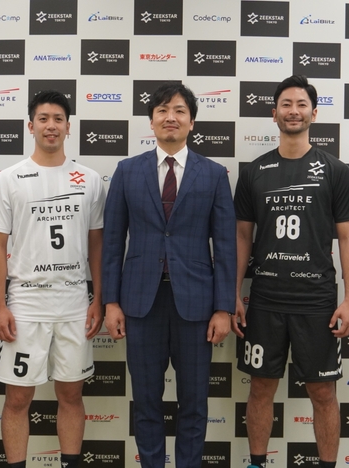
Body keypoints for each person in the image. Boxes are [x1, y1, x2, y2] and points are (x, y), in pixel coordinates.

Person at [101, 83, 236, 468]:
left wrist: (223, 308)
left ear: (191, 122)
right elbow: (113, 242)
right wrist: (111, 301)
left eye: (179, 110)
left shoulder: (213, 174)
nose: (170, 117)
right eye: (162, 110)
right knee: (146, 402)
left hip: (196, 306)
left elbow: (226, 246)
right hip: (140, 304)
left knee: (194, 403)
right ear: (151, 121)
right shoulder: (127, 171)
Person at [232, 75, 349, 468]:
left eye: (301, 104)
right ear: (274, 113)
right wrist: (233, 293)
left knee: (323, 393)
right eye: (286, 104)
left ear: (314, 113)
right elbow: (242, 236)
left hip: (316, 301)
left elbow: (348, 237)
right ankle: (256, 464)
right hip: (266, 300)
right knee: (260, 388)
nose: (293, 111)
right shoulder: (254, 171)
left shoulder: (335, 170)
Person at [0, 90, 105, 468]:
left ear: (69, 127)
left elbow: (97, 245)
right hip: (26, 303)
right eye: (43, 118)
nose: (50, 125)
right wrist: (0, 306)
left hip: (73, 302)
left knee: (71, 395)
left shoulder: (89, 180)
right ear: (30, 125)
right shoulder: (9, 178)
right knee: (18, 399)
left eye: (58, 119)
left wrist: (98, 299)